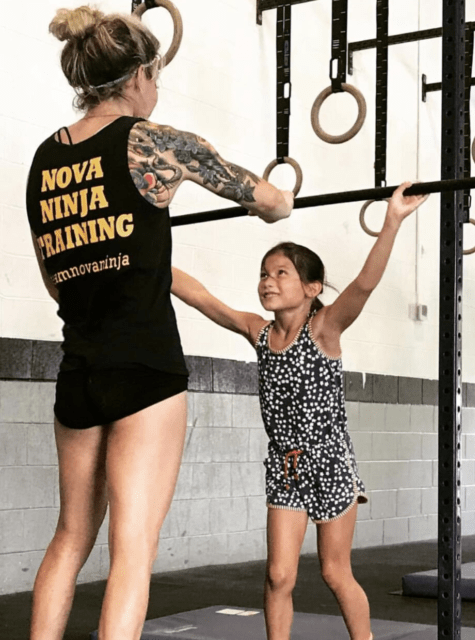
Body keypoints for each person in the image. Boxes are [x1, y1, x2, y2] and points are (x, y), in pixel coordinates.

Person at [26, 6, 293, 640]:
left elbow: (55, 279)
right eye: (156, 77)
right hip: (145, 369)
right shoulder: (154, 142)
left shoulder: (45, 158)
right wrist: (272, 206)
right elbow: (274, 203)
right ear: (138, 75)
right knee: (133, 551)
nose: (156, 90)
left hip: (79, 370)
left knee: (70, 538)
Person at [171, 182, 428, 640]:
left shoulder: (325, 328)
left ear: (311, 288)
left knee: (334, 572)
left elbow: (364, 284)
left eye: (281, 273)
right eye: (264, 274)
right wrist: (149, 256)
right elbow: (204, 299)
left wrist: (392, 221)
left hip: (329, 463)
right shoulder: (259, 332)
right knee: (278, 576)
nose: (268, 281)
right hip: (285, 466)